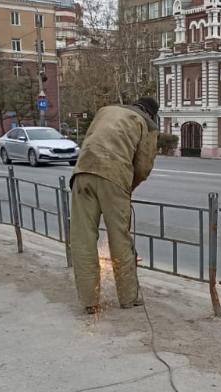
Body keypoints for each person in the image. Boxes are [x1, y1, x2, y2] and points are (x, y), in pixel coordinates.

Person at [70, 97, 159, 314]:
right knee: (120, 237)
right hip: (114, 176)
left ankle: (89, 301)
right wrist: (128, 187)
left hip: (82, 174)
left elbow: (88, 140)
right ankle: (128, 297)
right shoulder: (146, 123)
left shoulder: (105, 110)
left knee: (82, 238)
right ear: (152, 113)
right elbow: (143, 166)